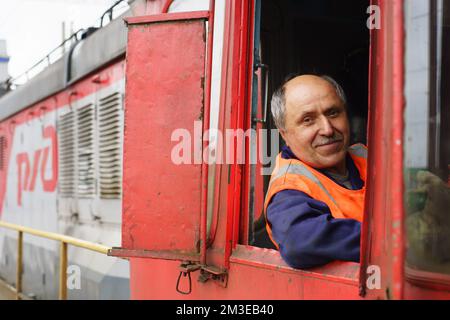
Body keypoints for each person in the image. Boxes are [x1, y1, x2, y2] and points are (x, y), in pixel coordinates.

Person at [264, 74, 367, 269]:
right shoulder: (288, 188)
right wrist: (393, 241)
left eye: (333, 113)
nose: (327, 129)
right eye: (308, 120)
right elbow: (299, 240)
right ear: (284, 133)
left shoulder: (366, 156)